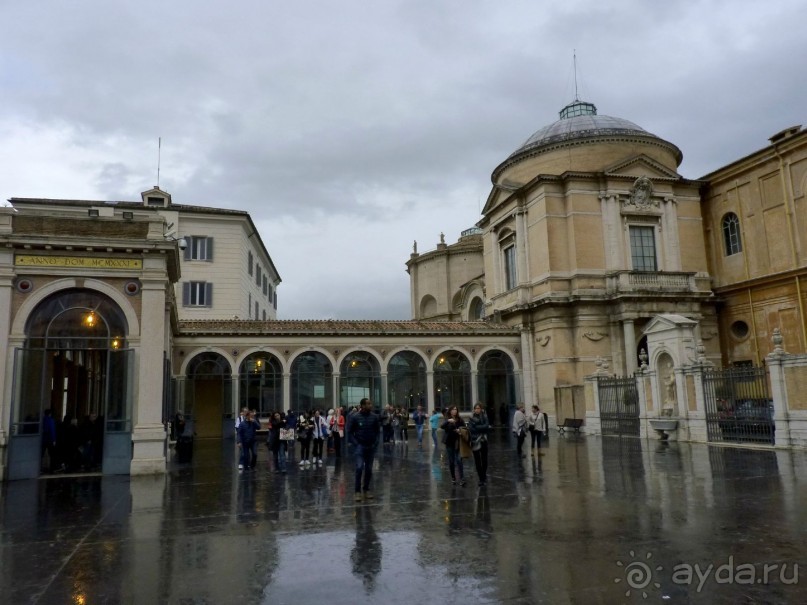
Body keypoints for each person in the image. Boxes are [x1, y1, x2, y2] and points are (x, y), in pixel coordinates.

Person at [347, 397, 381, 501]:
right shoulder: (355, 417)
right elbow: (349, 432)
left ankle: (366, 489)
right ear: (362, 406)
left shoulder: (374, 417)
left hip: (371, 446)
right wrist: (356, 444)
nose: (370, 405)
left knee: (369, 469)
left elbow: (377, 431)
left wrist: (375, 443)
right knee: (359, 467)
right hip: (360, 447)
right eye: (368, 404)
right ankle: (357, 492)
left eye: (370, 404)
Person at [442, 406, 466, 486]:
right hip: (449, 442)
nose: (454, 411)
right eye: (453, 409)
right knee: (451, 461)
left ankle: (462, 478)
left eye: (456, 409)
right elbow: (442, 426)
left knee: (459, 460)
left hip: (458, 442)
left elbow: (465, 428)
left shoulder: (459, 419)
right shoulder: (447, 419)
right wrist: (448, 421)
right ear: (450, 411)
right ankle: (453, 477)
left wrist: (460, 430)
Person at [468, 403, 491, 486]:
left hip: (484, 440)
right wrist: (480, 427)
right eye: (475, 408)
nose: (477, 410)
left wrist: (477, 426)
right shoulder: (471, 418)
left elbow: (486, 426)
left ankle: (484, 476)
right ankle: (481, 478)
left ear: (481, 409)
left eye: (478, 408)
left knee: (484, 460)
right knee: (477, 461)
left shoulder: (484, 416)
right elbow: (471, 429)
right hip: (475, 441)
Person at [41, 408, 58, 473]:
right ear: (50, 414)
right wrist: (54, 440)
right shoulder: (51, 420)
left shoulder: (42, 420)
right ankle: (52, 468)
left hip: (43, 439)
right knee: (52, 454)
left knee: (41, 454)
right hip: (49, 440)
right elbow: (52, 430)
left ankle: (39, 468)